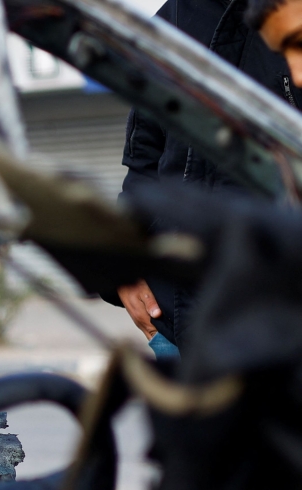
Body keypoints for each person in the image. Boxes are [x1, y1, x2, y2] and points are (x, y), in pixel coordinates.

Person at [110, 0, 300, 359]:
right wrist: (124, 267)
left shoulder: (290, 17)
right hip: (176, 325)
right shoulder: (169, 24)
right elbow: (143, 164)